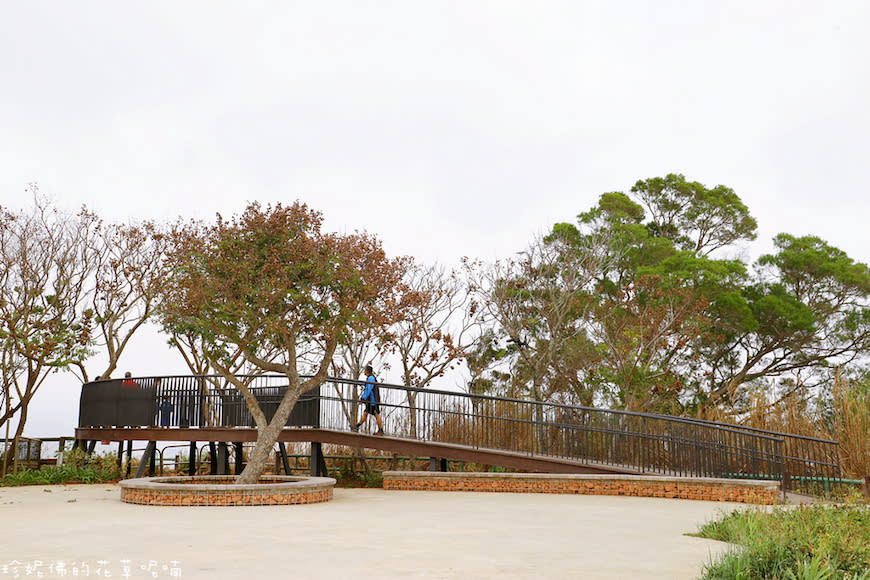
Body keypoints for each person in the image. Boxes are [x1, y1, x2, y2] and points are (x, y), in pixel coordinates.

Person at [351, 365, 384, 435]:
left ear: (367, 371)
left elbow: (368, 389)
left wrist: (363, 399)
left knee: (376, 414)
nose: (364, 371)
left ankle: (381, 430)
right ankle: (357, 426)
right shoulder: (370, 378)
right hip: (371, 400)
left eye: (364, 370)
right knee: (365, 412)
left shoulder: (371, 378)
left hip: (373, 400)